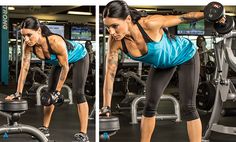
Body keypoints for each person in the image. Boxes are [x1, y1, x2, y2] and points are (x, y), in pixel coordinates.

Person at [100, 0, 205, 142]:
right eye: (108, 27)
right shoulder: (115, 41)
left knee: (188, 107)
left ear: (128, 19)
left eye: (115, 26)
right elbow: (110, 74)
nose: (111, 32)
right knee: (149, 106)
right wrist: (106, 106)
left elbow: (185, 17)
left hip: (185, 55)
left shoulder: (149, 23)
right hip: (162, 65)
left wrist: (211, 14)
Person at [5, 16, 90, 142]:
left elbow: (65, 67)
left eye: (29, 35)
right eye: (24, 36)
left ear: (38, 31)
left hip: (79, 57)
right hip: (59, 63)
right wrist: (18, 93)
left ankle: (83, 133)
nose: (26, 39)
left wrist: (58, 92)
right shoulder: (28, 45)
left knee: (78, 93)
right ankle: (45, 128)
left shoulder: (54, 42)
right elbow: (24, 68)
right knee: (49, 93)